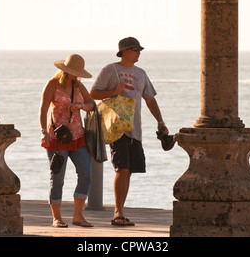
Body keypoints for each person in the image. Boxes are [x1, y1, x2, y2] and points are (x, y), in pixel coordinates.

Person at [90, 37, 169, 226]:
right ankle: (117, 212)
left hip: (135, 129)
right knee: (122, 168)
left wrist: (160, 122)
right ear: (124, 51)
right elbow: (93, 94)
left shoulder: (141, 73)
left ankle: (121, 212)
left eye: (140, 49)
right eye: (135, 49)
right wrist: (113, 92)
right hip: (117, 129)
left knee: (129, 171)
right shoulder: (110, 70)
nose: (138, 52)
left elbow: (150, 99)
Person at [39, 53, 95, 228]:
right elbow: (43, 109)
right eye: (73, 71)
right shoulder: (53, 84)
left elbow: (92, 104)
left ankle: (78, 216)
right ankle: (56, 218)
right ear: (65, 70)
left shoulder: (78, 85)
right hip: (57, 138)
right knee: (57, 177)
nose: (76, 75)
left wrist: (80, 106)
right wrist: (43, 131)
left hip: (78, 137)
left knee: (86, 174)